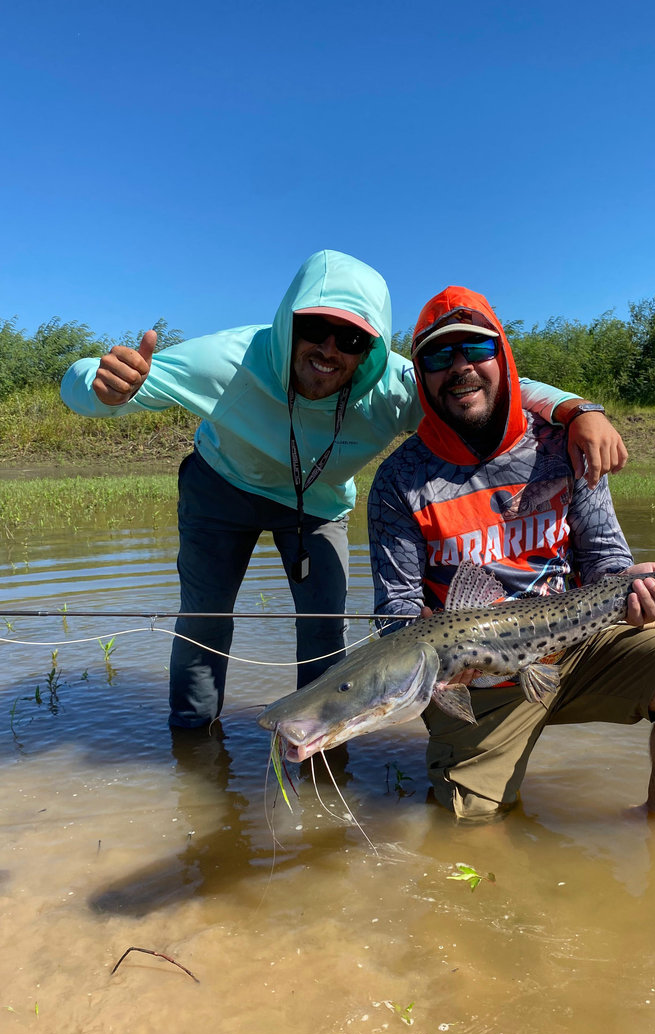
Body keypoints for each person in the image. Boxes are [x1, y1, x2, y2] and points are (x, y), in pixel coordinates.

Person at [61, 250, 626, 731]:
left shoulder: (396, 385)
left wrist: (581, 411)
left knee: (326, 632)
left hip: (319, 504)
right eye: (314, 328)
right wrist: (100, 387)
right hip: (220, 489)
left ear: (370, 348)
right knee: (205, 618)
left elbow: (490, 380)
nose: (329, 349)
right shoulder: (225, 361)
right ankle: (192, 744)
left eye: (352, 337)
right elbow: (86, 380)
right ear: (288, 323)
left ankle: (322, 744)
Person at [368, 285, 655, 822]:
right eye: (438, 356)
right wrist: (439, 665)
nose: (460, 368)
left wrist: (635, 589)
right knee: (465, 835)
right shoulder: (397, 483)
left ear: (502, 357)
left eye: (475, 350)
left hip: (581, 645)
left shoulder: (564, 444)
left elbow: (606, 563)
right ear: (421, 375)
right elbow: (394, 614)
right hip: (478, 681)